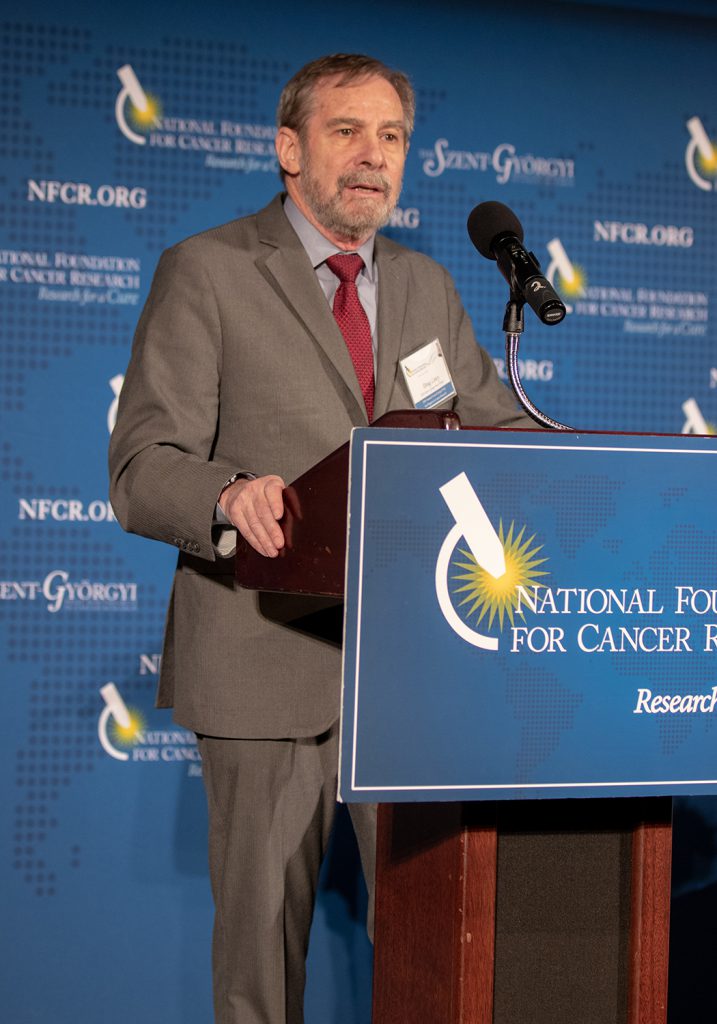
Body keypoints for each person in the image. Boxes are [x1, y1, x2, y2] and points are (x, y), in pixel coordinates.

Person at [109, 52, 533, 1024]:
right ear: (290, 149)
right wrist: (228, 494)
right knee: (260, 968)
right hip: (263, 660)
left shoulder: (426, 285)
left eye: (392, 136)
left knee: (435, 953)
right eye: (347, 131)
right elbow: (142, 464)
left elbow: (497, 431)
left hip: (411, 676)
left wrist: (579, 472)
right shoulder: (209, 270)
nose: (373, 156)